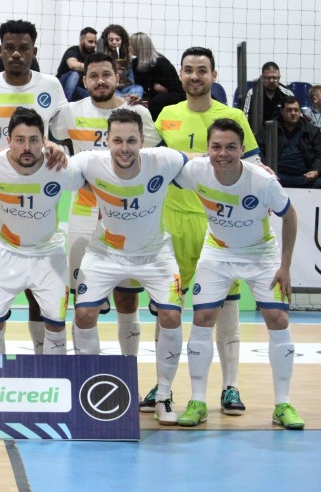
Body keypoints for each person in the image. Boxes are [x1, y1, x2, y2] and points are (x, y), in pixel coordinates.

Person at [150, 46, 262, 416]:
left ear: (214, 76)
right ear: (180, 75)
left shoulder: (230, 116)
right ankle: (162, 384)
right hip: (171, 222)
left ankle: (230, 387)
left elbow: (254, 167)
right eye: (188, 70)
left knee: (226, 310)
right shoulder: (166, 115)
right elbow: (148, 164)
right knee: (169, 309)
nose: (194, 76)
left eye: (202, 70)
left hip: (219, 226)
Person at [174, 118, 303, 430]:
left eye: (231, 147)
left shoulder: (262, 181)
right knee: (203, 319)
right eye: (216, 147)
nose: (223, 153)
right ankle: (198, 400)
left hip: (261, 254)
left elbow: (290, 216)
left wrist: (284, 266)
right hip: (217, 252)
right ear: (207, 150)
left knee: (278, 319)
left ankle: (282, 404)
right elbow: (159, 167)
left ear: (243, 149)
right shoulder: (195, 171)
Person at [70, 108, 187, 425]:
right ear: (107, 140)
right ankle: (89, 386)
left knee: (171, 315)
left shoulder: (164, 160)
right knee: (83, 314)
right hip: (105, 251)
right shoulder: (88, 162)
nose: (124, 147)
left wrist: (254, 169)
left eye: (131, 140)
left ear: (143, 140)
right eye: (118, 140)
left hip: (154, 253)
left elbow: (205, 162)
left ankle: (163, 396)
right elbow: (49, 171)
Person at [0, 18, 68, 354]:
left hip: (39, 197)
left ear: (34, 51)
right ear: (0, 50)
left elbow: (67, 137)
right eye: (9, 47)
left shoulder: (50, 86)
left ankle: (43, 361)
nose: (16, 54)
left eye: (24, 48)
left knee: (42, 293)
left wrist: (54, 146)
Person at [55, 51, 160, 357]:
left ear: (118, 77)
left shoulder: (138, 115)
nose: (100, 81)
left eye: (106, 75)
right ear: (84, 80)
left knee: (127, 298)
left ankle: (128, 368)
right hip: (84, 215)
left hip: (127, 217)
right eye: (93, 76)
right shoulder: (69, 113)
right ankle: (88, 371)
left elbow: (152, 158)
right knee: (84, 301)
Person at [0, 107, 83, 354]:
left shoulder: (60, 168)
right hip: (2, 249)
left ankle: (55, 382)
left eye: (34, 140)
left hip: (47, 250)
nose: (26, 147)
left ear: (44, 142)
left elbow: (89, 181)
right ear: (8, 141)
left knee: (56, 322)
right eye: (20, 140)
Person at [128, 32, 184, 121]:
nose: (128, 47)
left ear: (138, 46)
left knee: (156, 101)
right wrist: (153, 86)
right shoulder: (135, 62)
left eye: (130, 45)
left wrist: (152, 87)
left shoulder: (161, 62)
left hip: (171, 95)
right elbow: (141, 84)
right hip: (151, 94)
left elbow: (170, 88)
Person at [274, 97, 321, 188]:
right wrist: (268, 171)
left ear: (300, 112)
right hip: (277, 176)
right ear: (281, 111)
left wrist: (316, 171)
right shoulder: (270, 130)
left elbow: (320, 153)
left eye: (296, 110)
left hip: (305, 176)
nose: (293, 113)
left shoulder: (312, 131)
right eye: (289, 110)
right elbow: (260, 152)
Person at [243, 62, 293, 127]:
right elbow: (245, 118)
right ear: (262, 78)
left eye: (275, 78)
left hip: (281, 134)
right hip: (257, 133)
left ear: (279, 78)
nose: (271, 81)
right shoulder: (253, 93)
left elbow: (298, 117)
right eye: (268, 78)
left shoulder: (287, 94)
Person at [55, 27, 97, 101]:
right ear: (81, 40)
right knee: (74, 74)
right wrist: (92, 67)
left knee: (94, 98)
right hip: (61, 86)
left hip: (77, 88)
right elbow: (72, 65)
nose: (93, 45)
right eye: (90, 42)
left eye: (95, 42)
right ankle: (66, 106)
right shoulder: (73, 50)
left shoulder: (93, 56)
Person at [100, 24, 142, 97]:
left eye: (117, 39)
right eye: (111, 40)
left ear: (123, 41)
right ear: (106, 41)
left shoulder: (129, 59)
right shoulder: (101, 59)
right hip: (109, 88)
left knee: (138, 88)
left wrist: (123, 76)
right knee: (116, 94)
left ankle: (128, 103)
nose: (114, 42)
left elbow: (131, 82)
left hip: (125, 88)